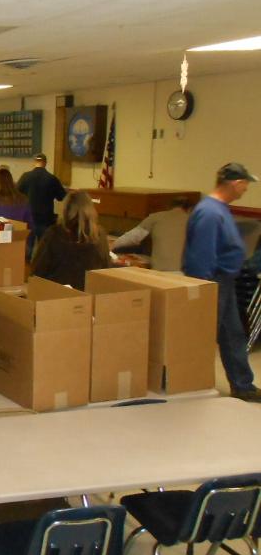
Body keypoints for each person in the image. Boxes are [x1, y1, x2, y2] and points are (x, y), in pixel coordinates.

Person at [183, 163, 258, 401]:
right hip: (213, 281)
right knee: (202, 336)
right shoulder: (210, 212)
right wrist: (204, 288)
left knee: (232, 334)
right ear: (236, 183)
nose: (246, 189)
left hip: (224, 281)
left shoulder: (218, 209)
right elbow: (201, 254)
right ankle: (187, 381)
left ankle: (242, 384)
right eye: (245, 184)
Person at [30, 191, 110, 290]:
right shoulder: (99, 235)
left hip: (54, 294)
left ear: (65, 210)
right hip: (88, 296)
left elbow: (37, 271)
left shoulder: (54, 234)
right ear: (91, 210)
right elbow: (106, 269)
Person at [110, 197, 191, 272]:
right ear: (189, 209)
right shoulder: (192, 220)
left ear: (169, 206)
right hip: (185, 274)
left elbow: (133, 237)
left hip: (160, 271)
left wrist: (111, 245)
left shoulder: (156, 217)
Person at [17, 153, 66, 246]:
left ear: (34, 162)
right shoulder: (52, 179)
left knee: (27, 248)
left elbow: (16, 194)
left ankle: (28, 260)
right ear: (45, 163)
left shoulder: (25, 177)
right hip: (46, 219)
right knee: (42, 249)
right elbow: (61, 197)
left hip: (28, 218)